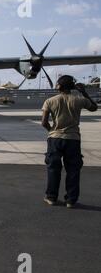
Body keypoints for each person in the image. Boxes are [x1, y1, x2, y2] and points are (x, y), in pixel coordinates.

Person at [41, 75, 98, 208]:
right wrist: (84, 92)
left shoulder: (50, 101)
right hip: (73, 139)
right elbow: (94, 107)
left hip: (55, 139)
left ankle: (51, 197)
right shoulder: (79, 100)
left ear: (59, 86)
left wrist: (51, 131)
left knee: (53, 168)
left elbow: (44, 122)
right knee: (73, 170)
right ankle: (71, 200)